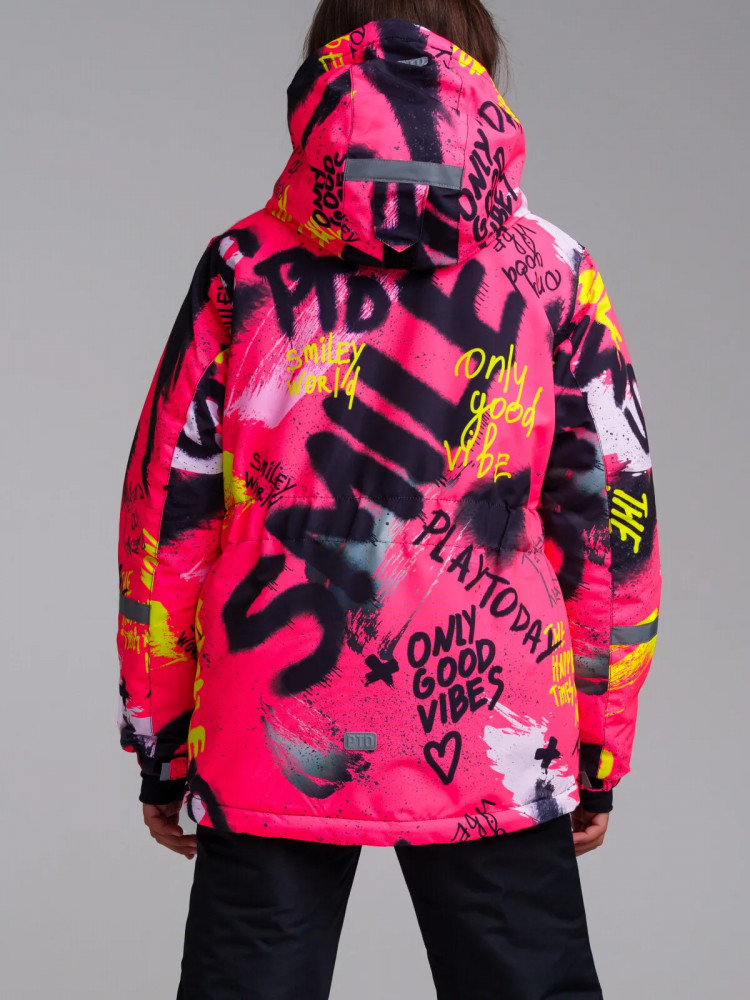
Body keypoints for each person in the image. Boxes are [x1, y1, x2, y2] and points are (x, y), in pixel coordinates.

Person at [115, 1, 662, 996]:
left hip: (271, 713)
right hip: (493, 720)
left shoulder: (244, 266)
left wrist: (162, 741)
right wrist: (597, 744)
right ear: (479, 70)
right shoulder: (553, 271)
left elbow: (168, 516)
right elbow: (611, 521)